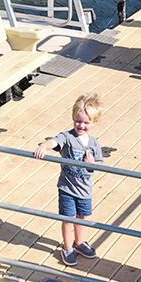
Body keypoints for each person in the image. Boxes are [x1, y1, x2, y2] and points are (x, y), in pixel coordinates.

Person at [34, 94, 104, 266]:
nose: (81, 125)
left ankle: (79, 242)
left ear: (94, 123)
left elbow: (100, 165)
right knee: (68, 219)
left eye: (86, 122)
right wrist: (43, 146)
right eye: (78, 121)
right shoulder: (67, 137)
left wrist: (92, 164)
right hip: (67, 188)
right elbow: (54, 141)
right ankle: (67, 248)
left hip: (85, 189)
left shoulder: (94, 143)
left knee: (81, 218)